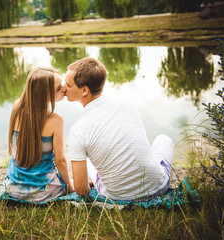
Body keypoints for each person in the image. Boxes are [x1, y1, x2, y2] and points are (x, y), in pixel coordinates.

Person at [64, 57, 174, 201]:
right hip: (157, 189)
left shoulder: (78, 130)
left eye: (68, 85)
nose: (63, 88)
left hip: (117, 198)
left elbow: (81, 190)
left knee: (90, 161)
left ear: (84, 90)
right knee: (164, 140)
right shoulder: (128, 105)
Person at [2, 67, 74, 202]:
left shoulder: (17, 107)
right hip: (45, 193)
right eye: (58, 89)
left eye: (62, 83)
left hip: (14, 190)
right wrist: (70, 187)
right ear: (44, 96)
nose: (64, 89)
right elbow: (60, 161)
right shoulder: (56, 120)